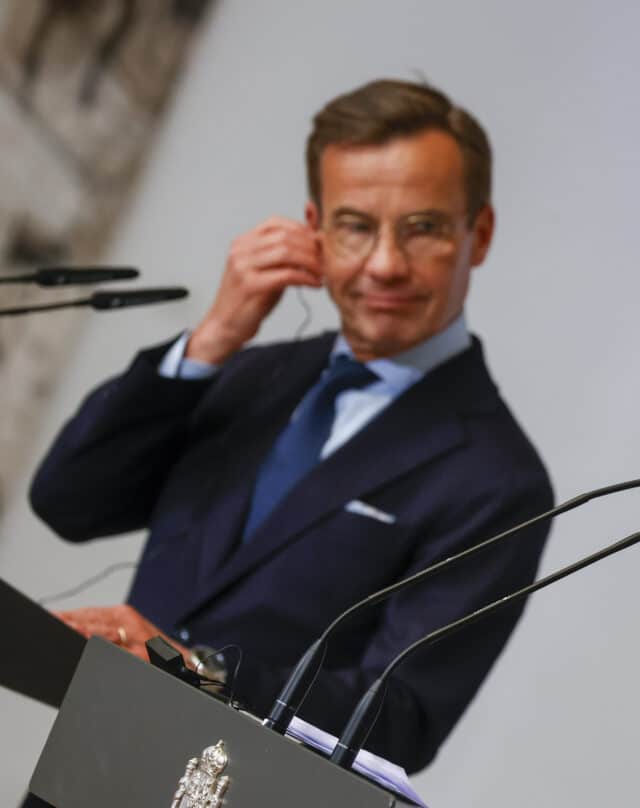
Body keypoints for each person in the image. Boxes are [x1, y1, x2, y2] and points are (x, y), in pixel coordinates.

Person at [28, 79, 553, 772]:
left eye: (422, 227)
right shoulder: (249, 372)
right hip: (93, 765)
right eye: (357, 226)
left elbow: (401, 720)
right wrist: (213, 338)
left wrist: (200, 670)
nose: (385, 264)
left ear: (476, 234)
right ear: (316, 230)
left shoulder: (499, 479)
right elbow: (68, 501)